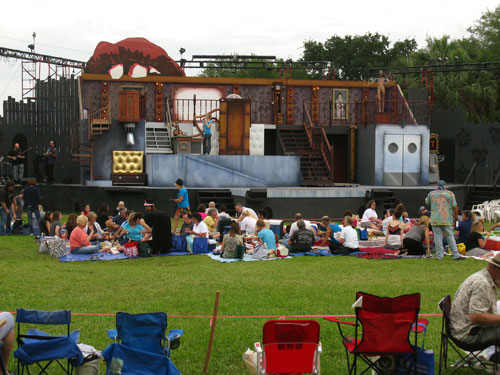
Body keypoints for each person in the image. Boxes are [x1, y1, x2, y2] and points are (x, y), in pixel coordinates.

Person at [449, 252, 500, 347]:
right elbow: (476, 317)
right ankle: (494, 356)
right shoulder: (482, 283)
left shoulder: (482, 277)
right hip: (468, 335)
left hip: (462, 329)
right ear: (496, 269)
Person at [425, 180, 463, 261]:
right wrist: (455, 216)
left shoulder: (431, 193)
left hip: (435, 219)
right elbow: (455, 206)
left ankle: (439, 256)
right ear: (445, 186)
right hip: (446, 218)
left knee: (438, 237)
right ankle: (455, 254)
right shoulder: (450, 194)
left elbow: (427, 202)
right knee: (450, 236)